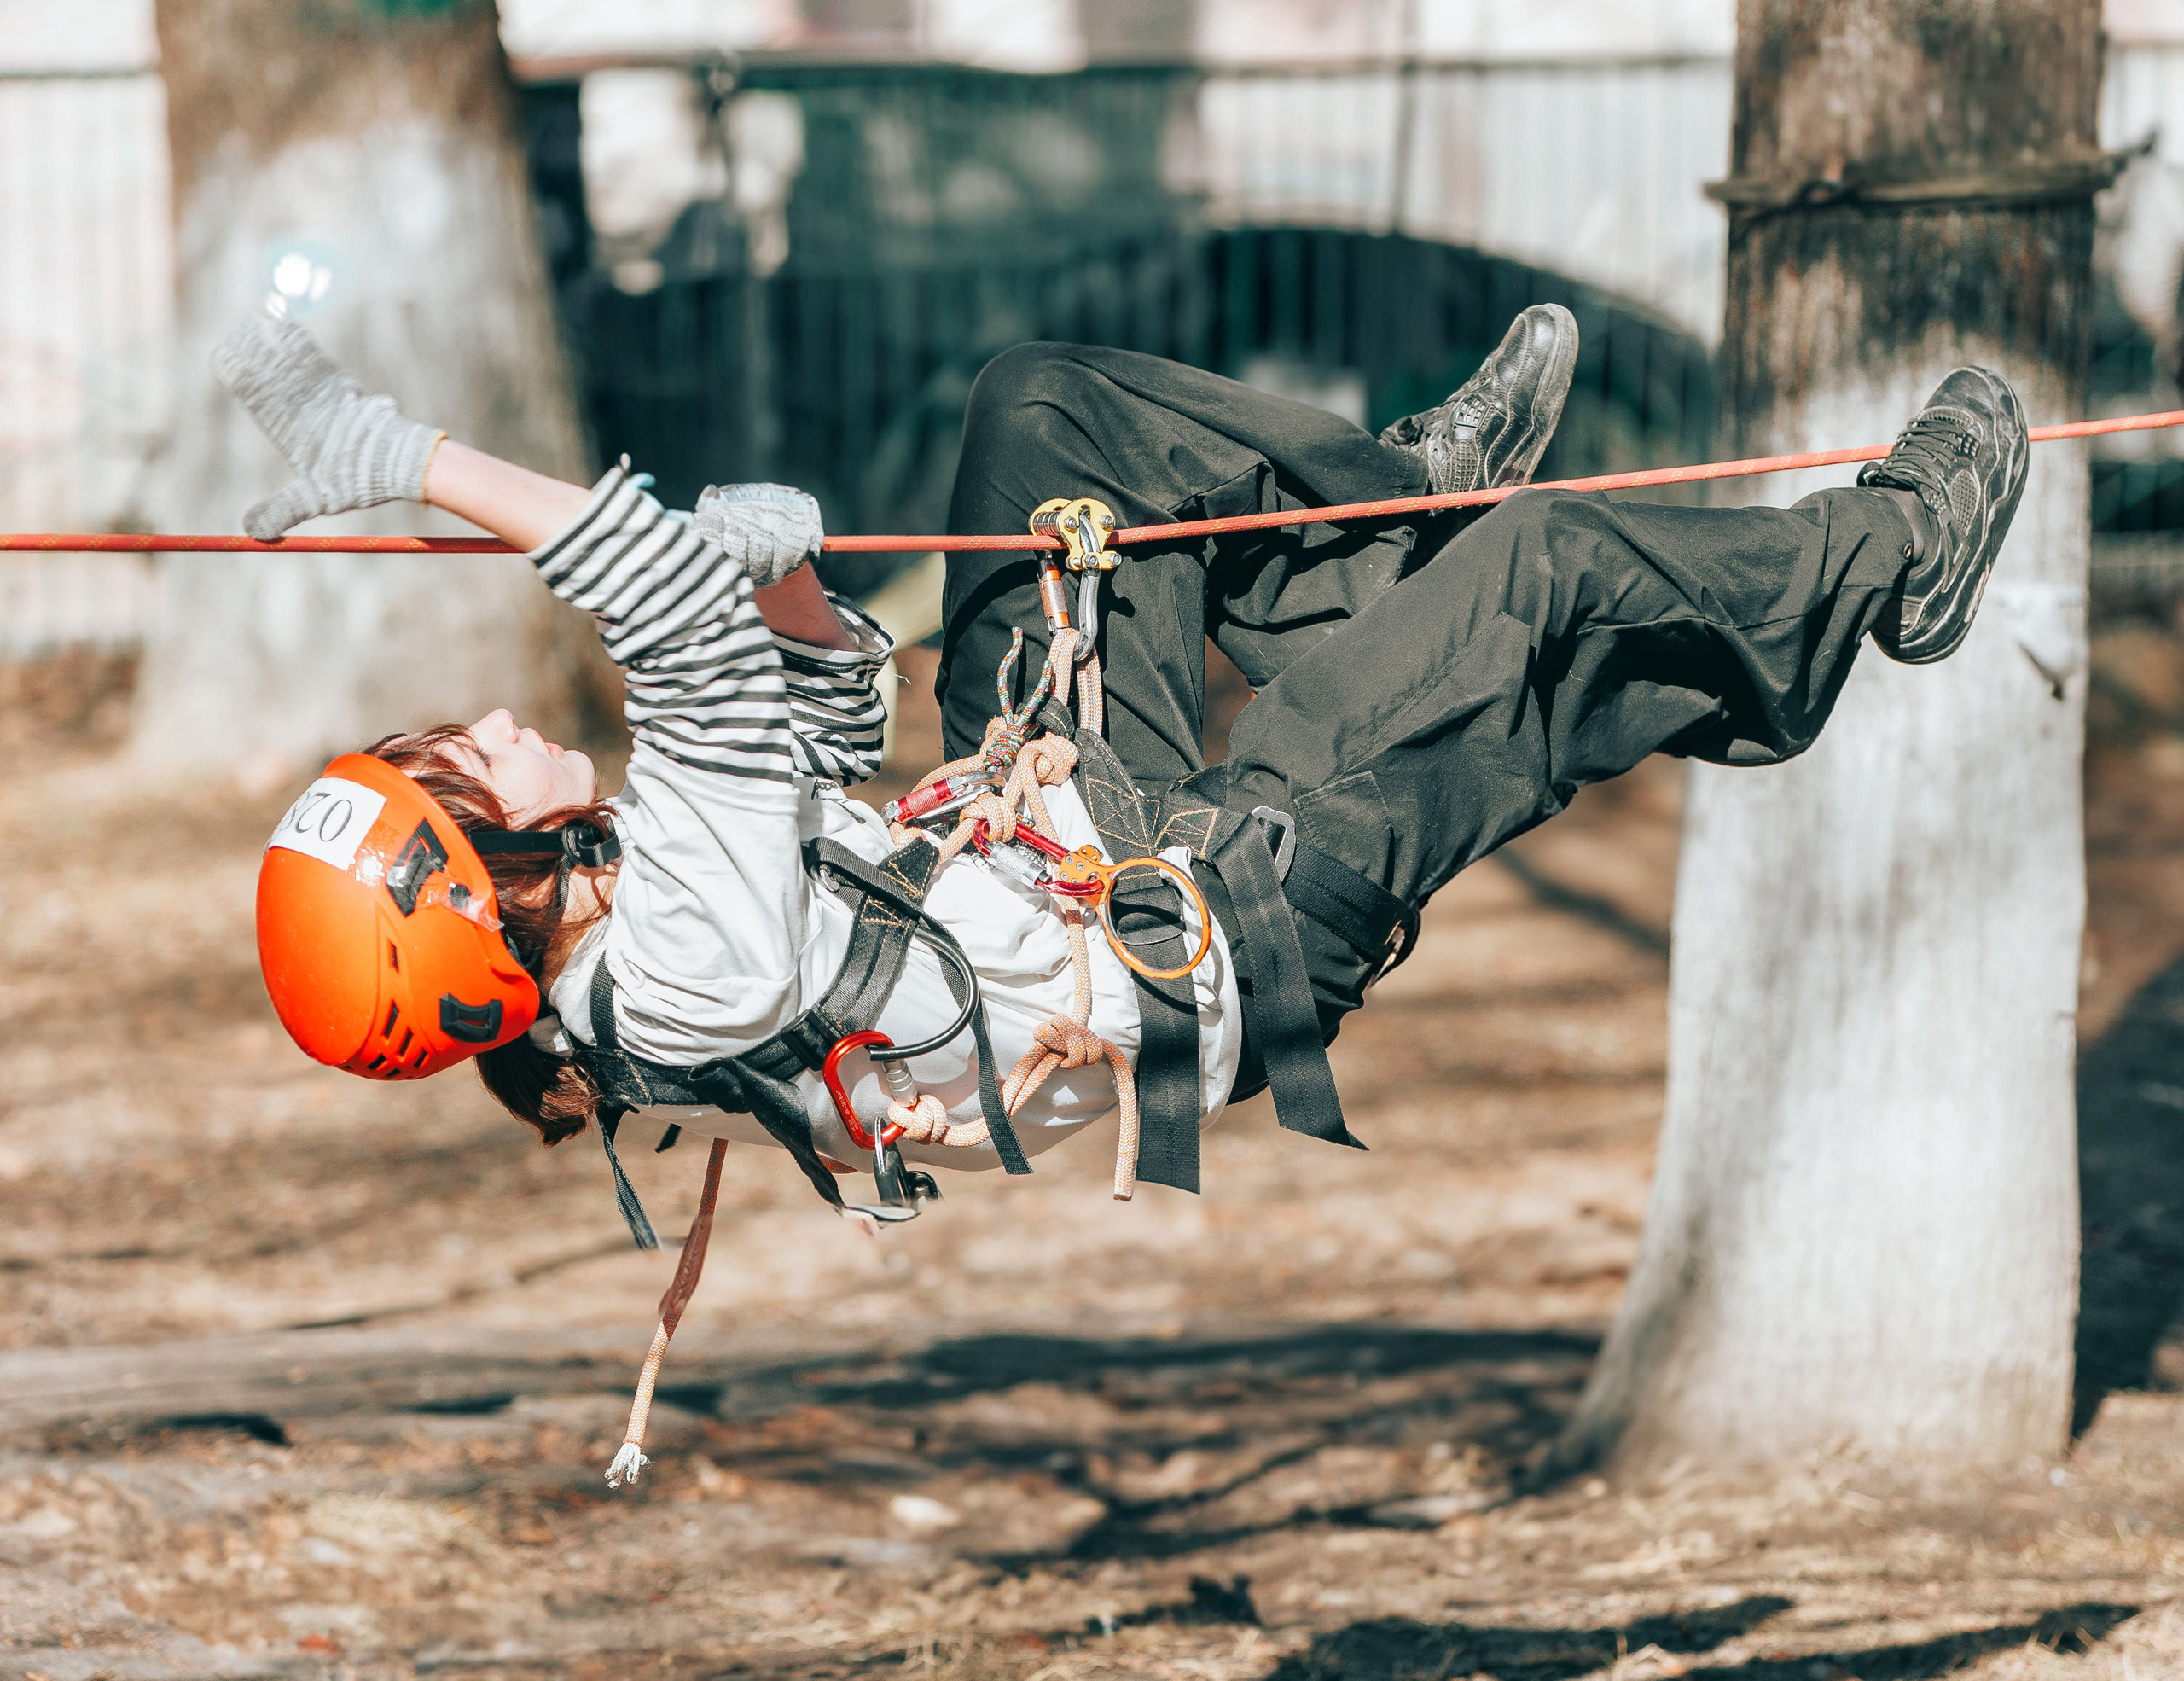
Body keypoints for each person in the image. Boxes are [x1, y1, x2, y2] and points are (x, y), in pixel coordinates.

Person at [228, 301, 2028, 1236]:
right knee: (1542, 577)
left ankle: (1385, 525)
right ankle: (1889, 561)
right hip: (1222, 920)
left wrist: (782, 583)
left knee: (1039, 411)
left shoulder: (632, 905)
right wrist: (400, 452)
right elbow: (672, 630)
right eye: (458, 768)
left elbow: (830, 718)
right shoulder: (674, 977)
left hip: (1063, 827)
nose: (487, 728)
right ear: (477, 886)